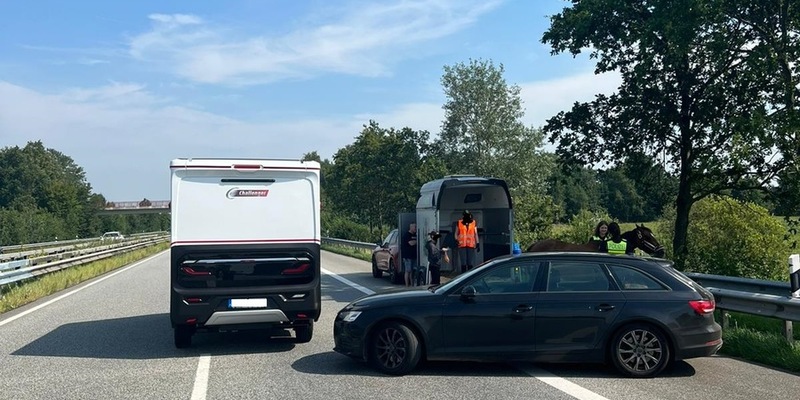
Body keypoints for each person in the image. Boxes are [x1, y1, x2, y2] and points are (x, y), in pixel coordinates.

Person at [401, 222, 418, 287]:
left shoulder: (415, 235)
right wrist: (418, 241)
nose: (416, 228)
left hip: (414, 256)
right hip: (407, 257)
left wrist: (415, 242)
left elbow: (414, 242)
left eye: (416, 227)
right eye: (414, 227)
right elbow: (411, 243)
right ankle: (407, 285)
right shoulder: (407, 235)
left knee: (412, 271)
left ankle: (412, 285)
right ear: (411, 227)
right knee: (408, 271)